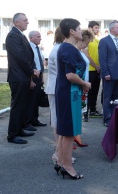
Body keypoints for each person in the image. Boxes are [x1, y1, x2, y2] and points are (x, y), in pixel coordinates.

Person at [55, 18, 91, 180]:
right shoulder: (68, 48)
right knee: (68, 132)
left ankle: (62, 162)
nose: (80, 31)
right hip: (70, 93)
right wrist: (84, 83)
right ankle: (68, 166)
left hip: (68, 92)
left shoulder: (65, 47)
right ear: (71, 31)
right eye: (78, 28)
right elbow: (70, 75)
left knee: (64, 131)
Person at [6, 13, 39, 144]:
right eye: (25, 20)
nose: (27, 22)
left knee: (22, 106)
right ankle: (12, 135)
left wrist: (32, 70)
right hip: (18, 77)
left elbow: (27, 56)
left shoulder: (20, 34)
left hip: (23, 76)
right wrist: (31, 71)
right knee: (17, 106)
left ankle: (19, 129)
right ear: (17, 22)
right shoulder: (13, 35)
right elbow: (20, 57)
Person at [46, 27, 70, 164]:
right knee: (57, 121)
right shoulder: (58, 49)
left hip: (56, 87)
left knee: (58, 121)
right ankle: (58, 153)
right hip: (56, 88)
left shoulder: (59, 48)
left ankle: (60, 152)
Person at [99, 20, 118, 127]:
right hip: (109, 74)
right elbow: (102, 58)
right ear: (112, 29)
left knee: (116, 97)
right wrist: (105, 73)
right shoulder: (104, 41)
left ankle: (114, 117)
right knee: (107, 97)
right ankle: (107, 118)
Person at [23, 30, 47, 131]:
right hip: (32, 76)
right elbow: (29, 64)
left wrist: (41, 78)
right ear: (31, 38)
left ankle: (34, 120)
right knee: (31, 101)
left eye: (40, 36)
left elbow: (40, 63)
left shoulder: (38, 48)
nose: (40, 38)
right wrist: (31, 80)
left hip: (38, 76)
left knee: (36, 99)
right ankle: (27, 122)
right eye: (38, 36)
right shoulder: (29, 48)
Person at [74, 29, 94, 146]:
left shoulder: (81, 52)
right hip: (79, 85)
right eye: (87, 42)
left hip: (83, 84)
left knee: (80, 111)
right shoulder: (75, 52)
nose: (87, 44)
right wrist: (83, 83)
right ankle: (72, 137)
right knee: (76, 111)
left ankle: (77, 135)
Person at [82, 21, 102, 121]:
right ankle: (85, 112)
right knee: (88, 91)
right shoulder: (87, 40)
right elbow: (87, 55)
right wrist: (96, 66)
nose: (97, 30)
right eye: (95, 27)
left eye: (98, 28)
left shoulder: (97, 40)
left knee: (95, 91)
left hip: (97, 70)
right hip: (90, 70)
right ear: (90, 28)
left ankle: (93, 110)